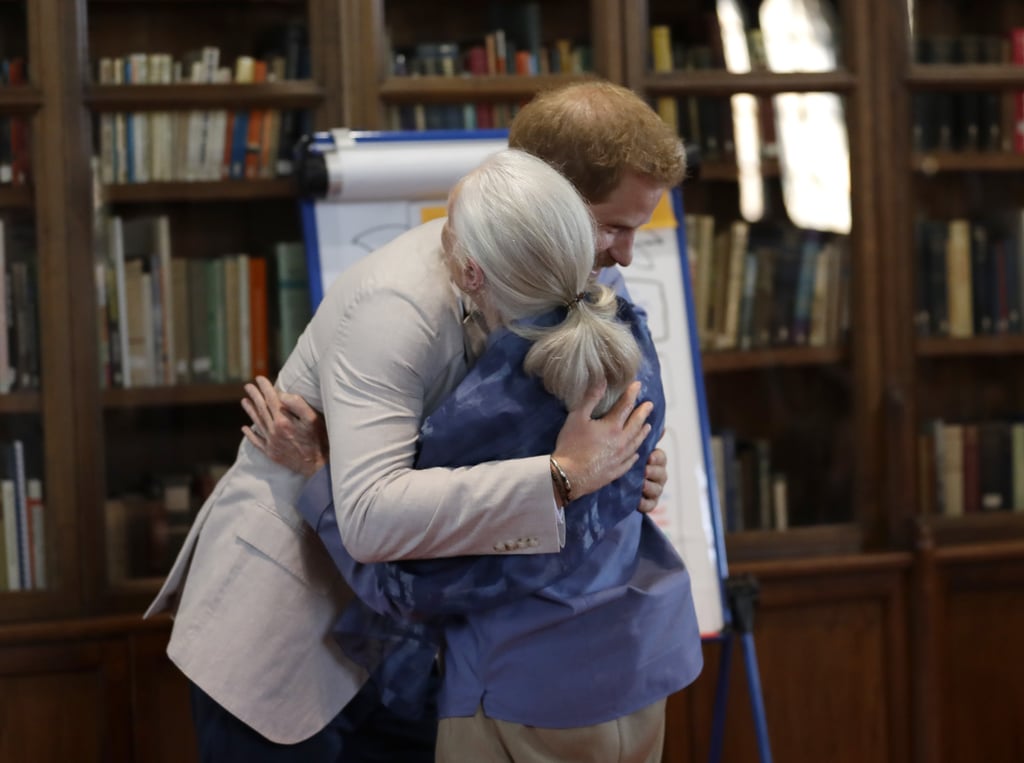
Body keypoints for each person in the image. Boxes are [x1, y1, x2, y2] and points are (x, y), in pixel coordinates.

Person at [146, 79, 682, 763]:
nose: (626, 256)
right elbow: (369, 515)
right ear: (543, 195)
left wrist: (632, 464)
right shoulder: (397, 303)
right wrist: (562, 475)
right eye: (613, 226)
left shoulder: (586, 285)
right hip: (292, 629)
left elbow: (593, 444)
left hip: (416, 639)